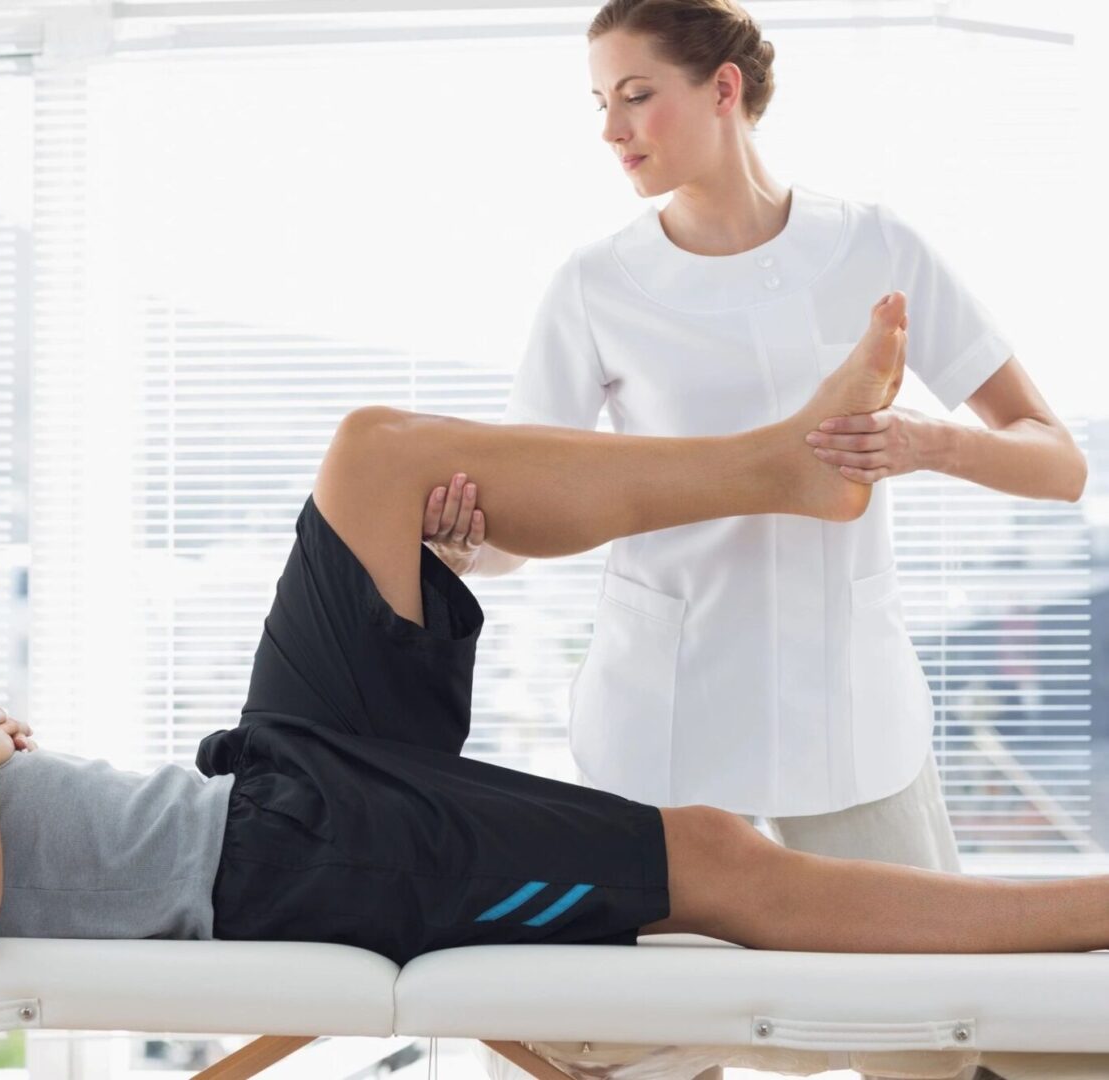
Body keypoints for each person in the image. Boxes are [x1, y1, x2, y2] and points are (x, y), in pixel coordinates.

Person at [0, 296, 1108, 971]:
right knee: (715, 857)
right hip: (290, 860)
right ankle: (1081, 920)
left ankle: (782, 468)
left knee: (374, 456)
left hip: (268, 788)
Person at [421, 10, 1084, 1078]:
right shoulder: (593, 285)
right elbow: (524, 519)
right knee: (633, 1045)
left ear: (723, 91)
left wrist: (921, 444)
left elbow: (1055, 460)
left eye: (636, 95)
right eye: (598, 104)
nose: (611, 130)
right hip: (666, 716)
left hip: (849, 705)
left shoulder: (872, 243)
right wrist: (463, 543)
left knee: (930, 1038)